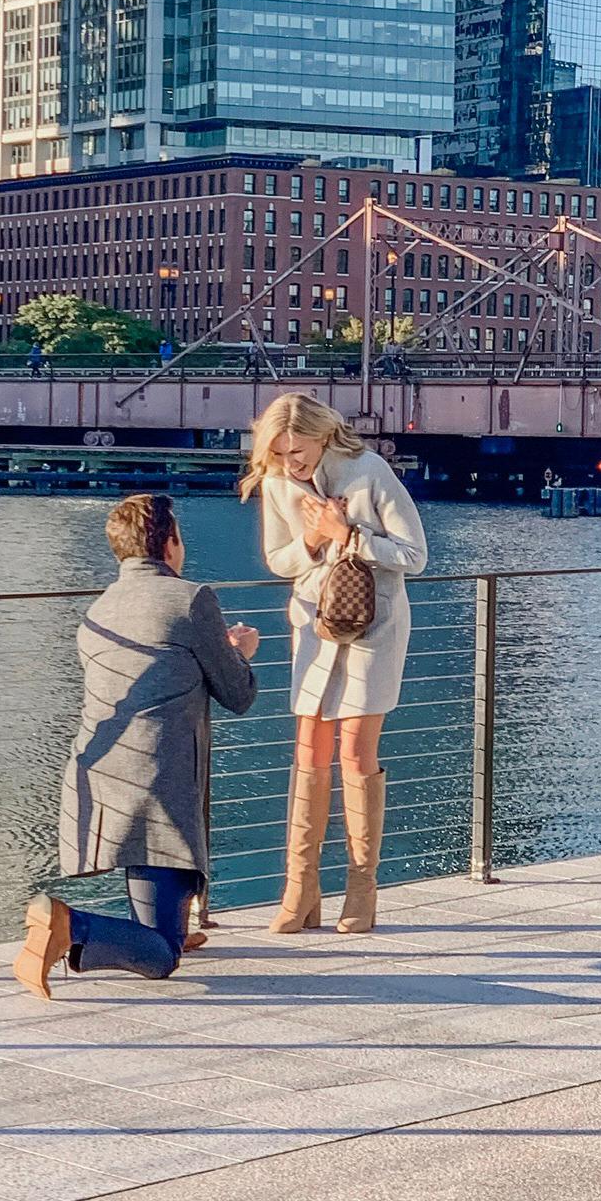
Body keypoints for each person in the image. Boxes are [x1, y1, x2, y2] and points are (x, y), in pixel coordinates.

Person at [14, 493, 259, 998]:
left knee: (162, 924)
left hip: (103, 776)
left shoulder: (97, 611)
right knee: (161, 957)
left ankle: (155, 924)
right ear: (170, 543)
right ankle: (68, 924)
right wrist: (240, 653)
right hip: (159, 789)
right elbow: (237, 694)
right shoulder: (192, 598)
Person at [244, 392, 427, 938]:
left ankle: (361, 890)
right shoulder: (277, 484)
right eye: (278, 453)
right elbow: (280, 560)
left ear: (323, 435)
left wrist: (349, 535)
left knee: (354, 749)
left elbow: (415, 556)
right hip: (315, 625)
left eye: (297, 450)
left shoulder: (369, 472)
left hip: (375, 625)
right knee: (308, 747)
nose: (289, 462)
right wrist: (313, 537)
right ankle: (300, 889)